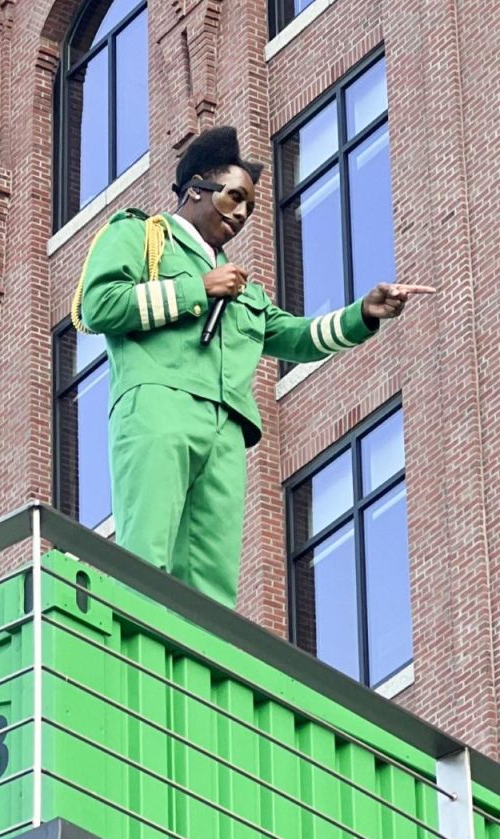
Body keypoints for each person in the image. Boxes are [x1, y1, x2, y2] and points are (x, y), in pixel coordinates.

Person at [74, 126, 434, 607]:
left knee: (213, 585)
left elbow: (298, 337)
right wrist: (196, 289)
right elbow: (99, 306)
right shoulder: (141, 237)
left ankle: (199, 674)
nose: (242, 213)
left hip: (226, 430)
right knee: (147, 559)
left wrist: (364, 312)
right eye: (234, 197)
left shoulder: (244, 291)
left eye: (249, 206)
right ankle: (136, 662)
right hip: (160, 405)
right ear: (196, 189)